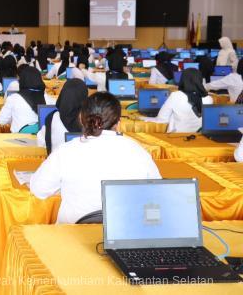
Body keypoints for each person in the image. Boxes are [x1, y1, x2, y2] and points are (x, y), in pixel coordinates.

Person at [29, 92, 161, 223]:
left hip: (72, 238)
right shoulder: (138, 151)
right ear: (119, 123)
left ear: (81, 119)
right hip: (124, 235)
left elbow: (38, 189)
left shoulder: (64, 151)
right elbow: (157, 193)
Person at [145, 68, 213, 132]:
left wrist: (142, 118)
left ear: (183, 80)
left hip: (177, 137)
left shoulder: (175, 96)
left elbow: (162, 120)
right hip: (199, 139)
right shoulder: (209, 99)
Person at [37, 78, 88, 154]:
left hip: (56, 164)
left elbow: (40, 143)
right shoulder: (90, 122)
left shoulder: (51, 118)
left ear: (62, 94)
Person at [0, 66, 52, 134]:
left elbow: (1, 121)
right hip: (42, 141)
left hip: (18, 141)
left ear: (21, 80)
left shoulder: (13, 98)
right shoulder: (48, 99)